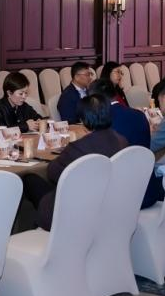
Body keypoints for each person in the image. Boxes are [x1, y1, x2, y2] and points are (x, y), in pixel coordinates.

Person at [20, 94, 129, 230]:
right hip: (109, 204)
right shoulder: (121, 140)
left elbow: (52, 173)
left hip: (74, 212)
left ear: (83, 120)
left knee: (29, 180)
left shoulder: (79, 147)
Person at [89, 78, 149, 146]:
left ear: (95, 100)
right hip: (143, 152)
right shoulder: (140, 115)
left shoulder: (102, 121)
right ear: (115, 94)